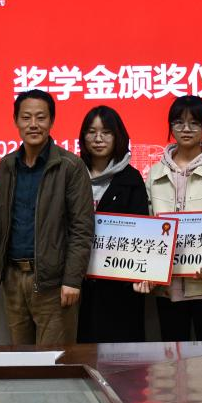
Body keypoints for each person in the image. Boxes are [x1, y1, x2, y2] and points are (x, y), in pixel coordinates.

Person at [0, 89, 94, 345]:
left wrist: (72, 280)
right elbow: (0, 222)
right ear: (16, 121)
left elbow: (82, 228)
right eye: (26, 117)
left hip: (54, 282)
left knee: (54, 359)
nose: (33, 124)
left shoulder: (70, 166)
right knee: (20, 357)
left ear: (52, 121)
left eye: (41, 117)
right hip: (14, 279)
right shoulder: (6, 166)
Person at [139, 95, 202, 342]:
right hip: (167, 287)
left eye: (194, 123)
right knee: (173, 358)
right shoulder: (155, 172)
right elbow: (149, 225)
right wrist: (149, 270)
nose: (186, 129)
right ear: (170, 127)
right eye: (178, 122)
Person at [76, 105, 149, 343]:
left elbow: (142, 233)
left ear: (118, 136)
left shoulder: (131, 178)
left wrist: (143, 273)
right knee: (81, 350)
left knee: (122, 354)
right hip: (78, 283)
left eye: (106, 132)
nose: (98, 139)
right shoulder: (72, 175)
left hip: (120, 284)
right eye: (91, 132)